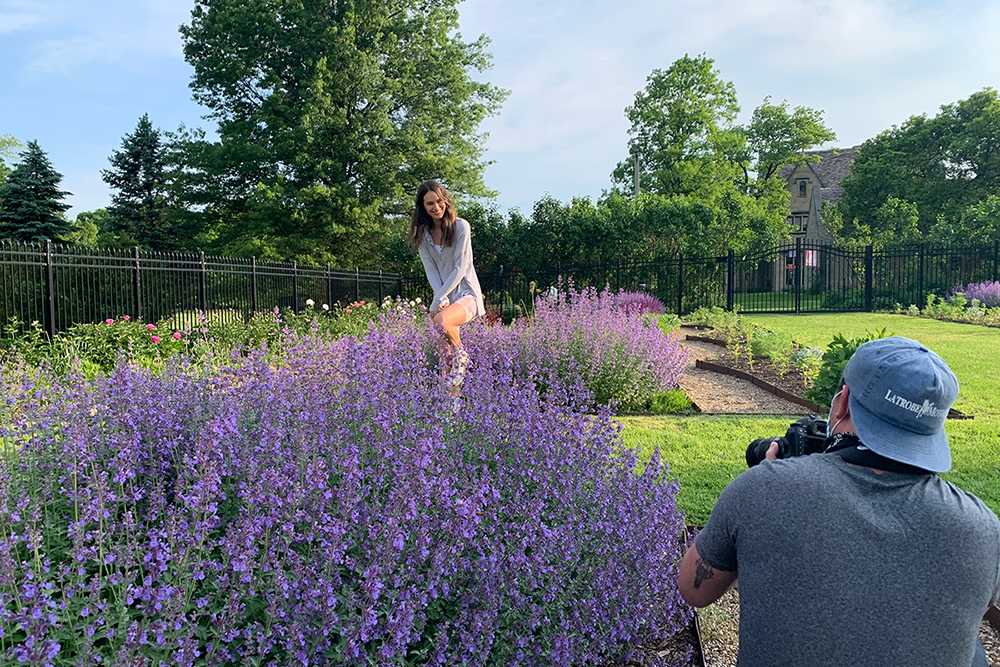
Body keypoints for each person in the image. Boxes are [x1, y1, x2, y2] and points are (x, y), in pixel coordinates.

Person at [678, 336, 1000, 667]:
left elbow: (694, 590)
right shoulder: (984, 528)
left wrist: (772, 488)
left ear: (842, 402)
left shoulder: (761, 488)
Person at [408, 180, 485, 390]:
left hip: (466, 294)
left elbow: (461, 267)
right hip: (443, 297)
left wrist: (438, 299)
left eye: (439, 201)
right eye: (429, 203)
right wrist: (440, 297)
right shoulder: (422, 235)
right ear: (422, 206)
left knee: (441, 321)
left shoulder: (461, 226)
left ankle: (463, 356)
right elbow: (431, 271)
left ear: (446, 201)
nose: (436, 207)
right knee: (445, 359)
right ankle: (453, 401)